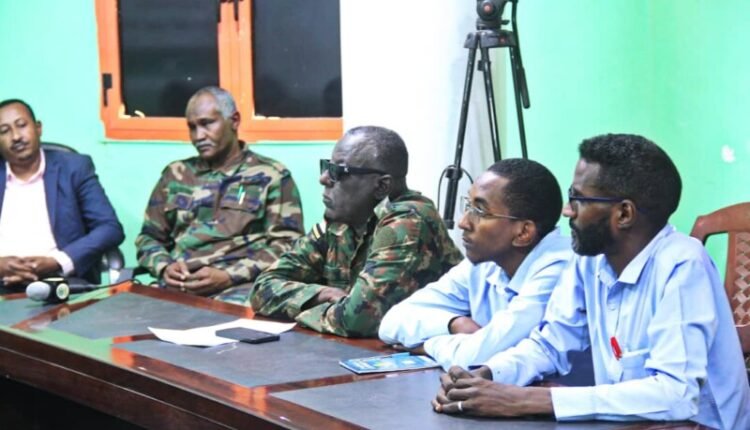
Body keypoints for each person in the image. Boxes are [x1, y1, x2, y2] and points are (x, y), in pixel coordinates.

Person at [432, 134, 750, 429]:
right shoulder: (590, 258)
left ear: (623, 214)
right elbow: (550, 344)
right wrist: (488, 375)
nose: (567, 211)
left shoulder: (682, 264)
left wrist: (528, 399)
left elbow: (675, 394)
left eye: (578, 199)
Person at [250, 126, 463, 337]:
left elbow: (357, 320)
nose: (324, 178)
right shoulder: (340, 223)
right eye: (327, 166)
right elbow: (262, 289)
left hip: (427, 352)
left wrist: (301, 310)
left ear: (381, 186)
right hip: (358, 349)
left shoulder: (408, 222)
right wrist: (320, 294)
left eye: (339, 171)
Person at [378, 158, 572, 369]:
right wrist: (454, 324)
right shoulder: (486, 261)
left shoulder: (561, 268)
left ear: (523, 232)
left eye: (479, 211)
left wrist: (428, 346)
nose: (463, 223)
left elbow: (475, 358)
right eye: (468, 206)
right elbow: (390, 324)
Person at [135, 87, 304, 298]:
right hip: (181, 286)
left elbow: (288, 245)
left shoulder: (271, 175)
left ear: (234, 121)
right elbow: (149, 238)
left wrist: (230, 275)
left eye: (207, 123)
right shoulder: (175, 175)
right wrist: (164, 267)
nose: (199, 136)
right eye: (192, 127)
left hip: (240, 287)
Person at [0, 99, 124, 286]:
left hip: (61, 282)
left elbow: (109, 228)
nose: (16, 136)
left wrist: (58, 261)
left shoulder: (74, 168)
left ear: (38, 128)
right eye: (4, 131)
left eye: (22, 125)